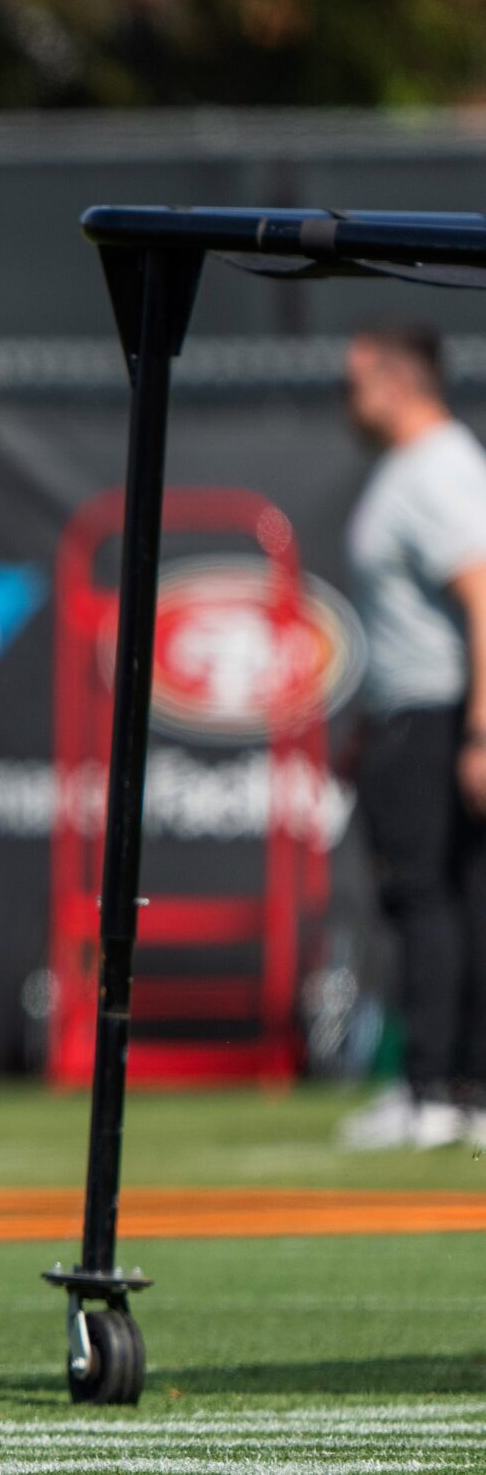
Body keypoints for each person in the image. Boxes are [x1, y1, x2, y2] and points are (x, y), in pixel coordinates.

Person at [337, 318, 486, 1151]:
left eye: (354, 383)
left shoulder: (438, 469)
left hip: (439, 715)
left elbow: (483, 589)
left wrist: (479, 731)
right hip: (416, 713)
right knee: (447, 901)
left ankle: (437, 1088)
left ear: (398, 381)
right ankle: (453, 1086)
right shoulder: (417, 468)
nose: (347, 402)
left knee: (429, 898)